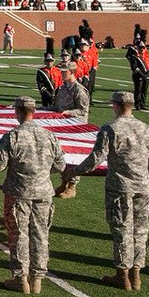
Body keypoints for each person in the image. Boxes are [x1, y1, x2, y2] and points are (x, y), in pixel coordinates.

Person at [62, 90, 149, 291]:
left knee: (122, 230)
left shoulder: (111, 129)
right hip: (144, 188)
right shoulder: (147, 129)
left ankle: (122, 275)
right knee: (140, 231)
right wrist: (146, 174)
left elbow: (97, 158)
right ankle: (136, 274)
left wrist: (75, 170)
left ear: (115, 105)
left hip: (120, 188)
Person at [0, 96, 65, 294]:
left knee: (18, 235)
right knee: (41, 234)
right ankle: (37, 279)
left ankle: (21, 278)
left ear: (17, 112)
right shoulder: (49, 136)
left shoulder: (12, 136)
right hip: (43, 193)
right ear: (34, 112)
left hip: (18, 192)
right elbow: (60, 165)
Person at [52, 63, 91, 200]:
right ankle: (64, 182)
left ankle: (72, 185)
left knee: (74, 157)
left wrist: (67, 112)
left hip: (75, 129)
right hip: (61, 127)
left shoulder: (79, 90)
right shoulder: (62, 88)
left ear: (72, 72)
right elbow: (56, 107)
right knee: (63, 155)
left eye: (64, 71)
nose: (62, 73)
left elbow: (83, 110)